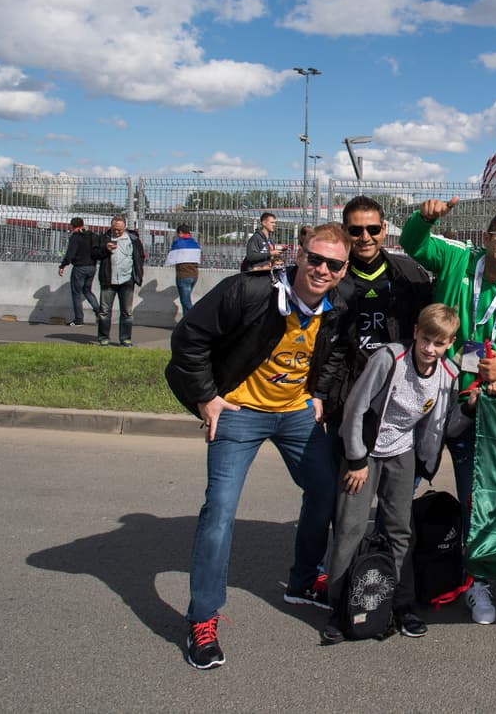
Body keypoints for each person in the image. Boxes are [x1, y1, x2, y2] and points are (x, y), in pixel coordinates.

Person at [165, 223, 353, 670]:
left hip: (296, 415)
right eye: (315, 259)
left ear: (345, 270)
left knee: (325, 492)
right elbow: (189, 338)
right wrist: (206, 397)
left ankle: (304, 580)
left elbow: (337, 352)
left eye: (334, 264)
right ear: (298, 255)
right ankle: (202, 618)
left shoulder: (340, 303)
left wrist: (320, 395)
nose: (322, 269)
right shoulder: (248, 292)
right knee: (220, 512)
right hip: (238, 412)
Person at [399, 196, 496, 624]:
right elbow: (415, 245)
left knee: (476, 501)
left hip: (478, 407)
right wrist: (422, 218)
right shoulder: (457, 258)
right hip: (426, 397)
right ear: (487, 238)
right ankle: (392, 575)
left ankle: (476, 583)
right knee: (400, 488)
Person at [321, 304, 463, 645]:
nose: (430, 349)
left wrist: (471, 409)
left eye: (439, 343)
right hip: (366, 453)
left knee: (401, 531)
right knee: (350, 528)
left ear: (450, 343)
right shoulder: (390, 359)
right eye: (426, 339)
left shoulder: (449, 374)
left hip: (402, 453)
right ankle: (340, 608)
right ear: (415, 332)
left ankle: (399, 603)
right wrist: (356, 459)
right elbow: (355, 409)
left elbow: (446, 426)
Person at [338, 196, 434, 359]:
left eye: (373, 229)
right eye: (355, 231)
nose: (365, 237)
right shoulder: (330, 275)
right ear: (344, 231)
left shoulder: (411, 274)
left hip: (398, 374)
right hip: (349, 377)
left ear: (383, 229)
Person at [92, 215, 144, 347]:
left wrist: (137, 275)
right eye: (114, 229)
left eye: (119, 230)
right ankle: (103, 338)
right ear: (111, 226)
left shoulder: (132, 239)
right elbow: (94, 254)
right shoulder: (104, 238)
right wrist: (105, 249)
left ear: (125, 227)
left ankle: (125, 339)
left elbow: (140, 256)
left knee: (127, 312)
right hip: (108, 280)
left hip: (127, 280)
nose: (116, 232)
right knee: (104, 311)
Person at [57, 217, 100, 326]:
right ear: (82, 224)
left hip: (80, 268)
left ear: (72, 226)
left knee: (76, 294)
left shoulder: (75, 238)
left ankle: (78, 320)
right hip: (92, 267)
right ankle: (99, 312)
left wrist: (63, 265)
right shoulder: (92, 235)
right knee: (87, 291)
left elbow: (70, 254)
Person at [165, 223, 202, 317]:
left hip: (183, 275)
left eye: (178, 234)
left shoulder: (178, 242)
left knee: (186, 302)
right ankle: (185, 324)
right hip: (194, 275)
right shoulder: (195, 243)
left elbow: (171, 257)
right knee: (186, 300)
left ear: (180, 232)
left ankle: (193, 320)